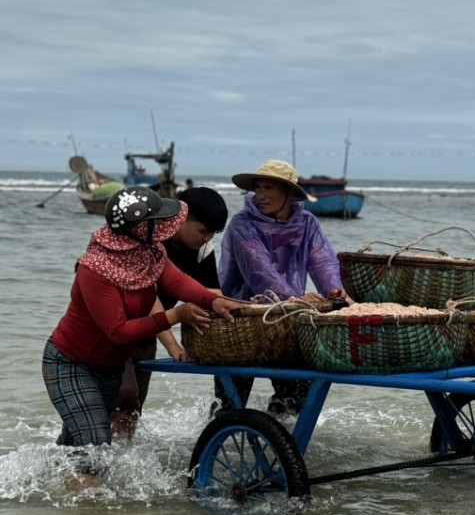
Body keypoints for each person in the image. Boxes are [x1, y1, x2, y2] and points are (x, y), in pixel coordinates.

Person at [43, 186, 238, 486]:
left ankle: (49, 496)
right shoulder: (95, 269)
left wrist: (213, 301)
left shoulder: (151, 252)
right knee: (96, 443)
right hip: (71, 364)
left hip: (109, 369)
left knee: (76, 446)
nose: (165, 226)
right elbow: (118, 331)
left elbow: (180, 284)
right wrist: (173, 317)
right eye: (157, 221)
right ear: (139, 228)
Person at [218, 159, 347, 415]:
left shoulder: (307, 223)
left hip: (286, 319)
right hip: (242, 319)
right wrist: (295, 300)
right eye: (258, 187)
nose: (261, 195)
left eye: (269, 188)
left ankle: (280, 440)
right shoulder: (242, 224)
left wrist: (335, 292)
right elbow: (260, 272)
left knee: (293, 401)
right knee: (230, 405)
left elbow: (322, 260)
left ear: (288, 194)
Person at [109, 187, 230, 439]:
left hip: (147, 334)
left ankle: (121, 459)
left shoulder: (202, 250)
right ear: (182, 218)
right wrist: (174, 347)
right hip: (114, 327)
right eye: (203, 231)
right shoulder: (149, 239)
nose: (208, 238)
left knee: (134, 407)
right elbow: (148, 297)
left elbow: (212, 295)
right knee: (124, 394)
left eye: (213, 233)